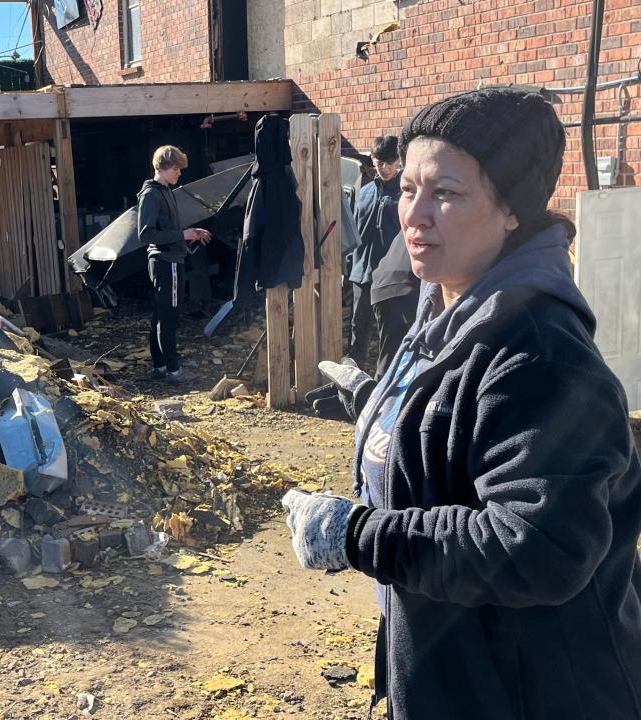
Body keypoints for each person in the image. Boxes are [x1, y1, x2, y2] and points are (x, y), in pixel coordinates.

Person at [282, 88, 641, 719]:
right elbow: (464, 428)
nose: (414, 215)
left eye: (445, 193)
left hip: (532, 694)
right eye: (408, 188)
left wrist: (356, 536)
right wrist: (375, 400)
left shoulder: (539, 353)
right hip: (459, 677)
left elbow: (538, 545)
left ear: (511, 211)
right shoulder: (449, 306)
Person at [137, 145, 210, 383]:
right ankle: (174, 371)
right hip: (165, 262)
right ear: (164, 167)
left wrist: (190, 233)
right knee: (168, 317)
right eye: (176, 168)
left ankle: (160, 367)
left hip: (168, 259)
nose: (180, 173)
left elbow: (168, 229)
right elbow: (146, 235)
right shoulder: (151, 195)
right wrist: (182, 235)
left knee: (161, 315)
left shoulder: (165, 191)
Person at [346, 135, 402, 367]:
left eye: (390, 162)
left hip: (391, 273)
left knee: (389, 331)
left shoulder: (406, 192)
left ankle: (387, 379)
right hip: (362, 271)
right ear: (372, 160)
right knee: (358, 326)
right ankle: (355, 375)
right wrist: (350, 263)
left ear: (399, 160)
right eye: (380, 162)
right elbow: (354, 229)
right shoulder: (365, 191)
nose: (385, 168)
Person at [369, 230, 419, 379]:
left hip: (381, 285)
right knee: (418, 350)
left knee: (390, 354)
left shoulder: (415, 224)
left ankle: (379, 394)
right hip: (407, 285)